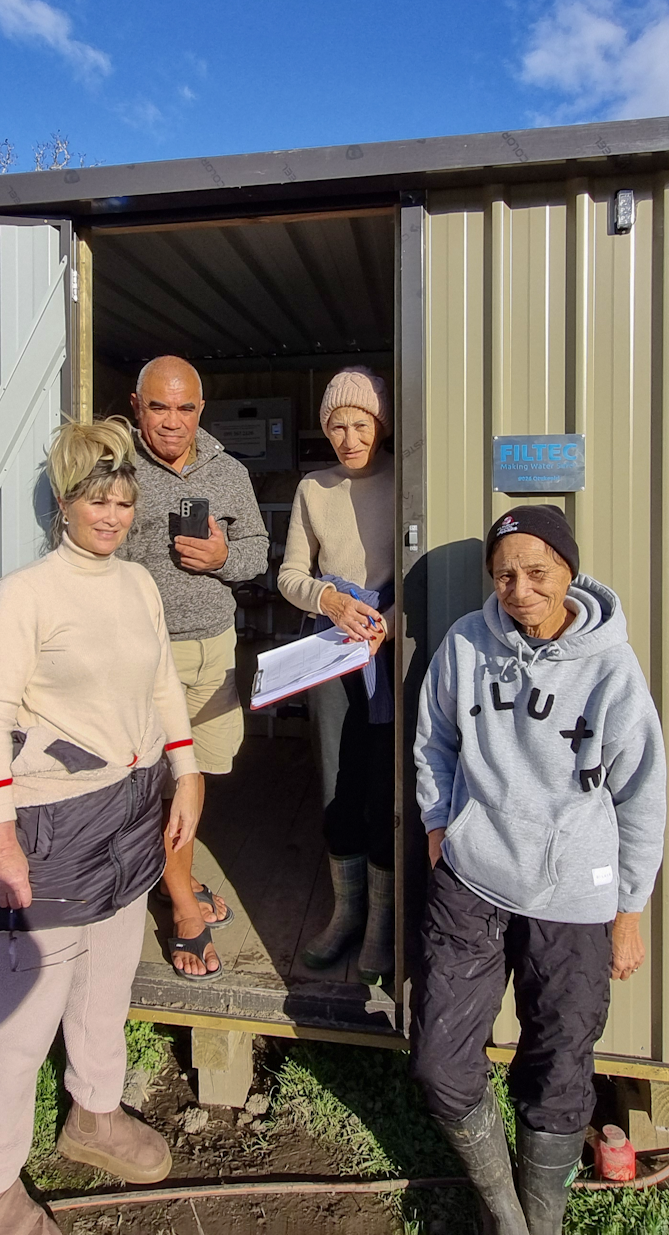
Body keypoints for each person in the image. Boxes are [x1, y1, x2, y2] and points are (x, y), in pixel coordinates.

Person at [0, 419, 203, 1235]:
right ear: (64, 502)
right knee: (18, 1017)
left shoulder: (138, 585)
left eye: (124, 501)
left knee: (107, 980)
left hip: (130, 805)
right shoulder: (26, 594)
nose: (112, 516)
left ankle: (94, 1112)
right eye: (98, 501)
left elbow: (163, 684)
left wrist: (187, 769)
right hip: (50, 818)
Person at [410, 505, 669, 1235]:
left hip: (575, 897)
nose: (520, 590)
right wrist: (439, 825)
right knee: (439, 1062)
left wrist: (628, 911)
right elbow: (434, 739)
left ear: (569, 571)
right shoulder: (467, 643)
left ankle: (542, 1215)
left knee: (559, 1065)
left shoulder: (611, 667)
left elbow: (642, 793)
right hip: (472, 877)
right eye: (504, 576)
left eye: (537, 572)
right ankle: (503, 1212)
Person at [122, 356, 270, 981]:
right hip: (140, 655)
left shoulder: (228, 470)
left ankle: (171, 875)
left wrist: (222, 558)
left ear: (201, 409)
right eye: (159, 407)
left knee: (196, 772)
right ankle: (182, 903)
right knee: (152, 778)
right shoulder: (116, 467)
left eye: (185, 408)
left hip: (212, 650)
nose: (172, 421)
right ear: (137, 406)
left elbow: (258, 552)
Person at [277, 366, 396, 983]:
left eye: (361, 424)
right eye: (337, 427)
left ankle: (382, 921)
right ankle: (345, 912)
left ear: (382, 424)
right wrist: (328, 599)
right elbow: (290, 574)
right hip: (330, 649)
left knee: (384, 782)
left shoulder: (406, 479)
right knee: (335, 782)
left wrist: (388, 624)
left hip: (386, 651)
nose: (349, 439)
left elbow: (419, 566)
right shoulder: (312, 489)